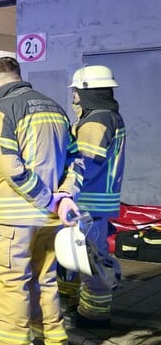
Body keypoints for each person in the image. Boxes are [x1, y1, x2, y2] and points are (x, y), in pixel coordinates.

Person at [0, 56, 79, 345]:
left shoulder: (1, 111)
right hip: (48, 220)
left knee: (9, 286)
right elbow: (76, 160)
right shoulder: (55, 108)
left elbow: (10, 166)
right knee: (44, 282)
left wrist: (43, 199)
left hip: (10, 218)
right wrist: (63, 197)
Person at [57, 65, 126, 329]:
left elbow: (83, 163)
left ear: (86, 91)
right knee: (77, 255)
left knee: (90, 257)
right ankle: (72, 301)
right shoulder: (109, 116)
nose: (73, 96)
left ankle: (94, 314)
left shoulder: (97, 121)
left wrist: (65, 192)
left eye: (75, 91)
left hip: (88, 200)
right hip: (98, 199)